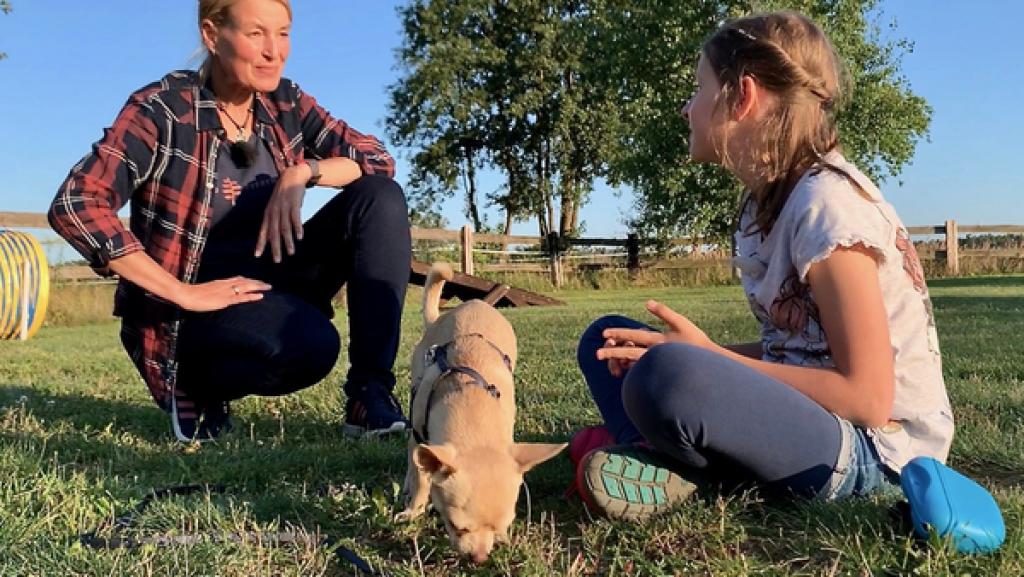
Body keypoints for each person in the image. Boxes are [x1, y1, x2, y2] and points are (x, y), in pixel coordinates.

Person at [572, 11, 953, 519]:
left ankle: (666, 464)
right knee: (609, 339)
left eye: (699, 88)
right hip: (815, 424)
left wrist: (706, 359)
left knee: (667, 376)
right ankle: (662, 462)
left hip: (876, 457)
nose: (688, 108)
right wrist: (699, 352)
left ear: (742, 96)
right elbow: (797, 351)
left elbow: (867, 398)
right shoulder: (770, 203)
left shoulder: (829, 206)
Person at [48, 0, 412, 442]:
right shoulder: (164, 109)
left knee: (379, 198)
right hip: (193, 310)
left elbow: (376, 160)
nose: (273, 51)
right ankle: (196, 384)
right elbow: (77, 202)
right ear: (212, 35)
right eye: (256, 34)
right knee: (311, 347)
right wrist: (182, 291)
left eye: (283, 33)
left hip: (273, 280)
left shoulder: (287, 103)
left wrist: (304, 173)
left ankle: (368, 395)